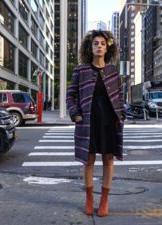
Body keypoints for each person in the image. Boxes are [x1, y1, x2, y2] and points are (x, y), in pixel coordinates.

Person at [66, 30, 125, 217]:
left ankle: (104, 200)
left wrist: (121, 115)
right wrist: (75, 114)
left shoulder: (113, 72)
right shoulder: (81, 70)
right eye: (95, 43)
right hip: (88, 123)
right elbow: (70, 95)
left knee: (108, 159)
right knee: (88, 160)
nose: (99, 46)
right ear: (90, 48)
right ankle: (90, 198)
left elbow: (120, 96)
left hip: (109, 123)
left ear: (107, 48)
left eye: (102, 44)